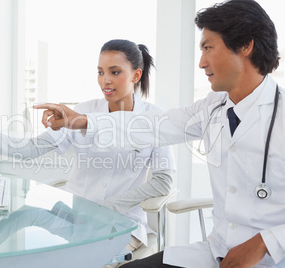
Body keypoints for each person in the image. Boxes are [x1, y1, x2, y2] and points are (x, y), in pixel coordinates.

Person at [34, 0, 285, 267]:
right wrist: (82, 121)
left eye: (208, 47)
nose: (201, 63)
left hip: (272, 258)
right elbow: (152, 126)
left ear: (245, 45)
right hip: (215, 252)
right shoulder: (213, 107)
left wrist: (265, 242)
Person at [0, 39, 176, 266]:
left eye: (115, 72)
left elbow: (164, 181)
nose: (105, 80)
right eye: (100, 72)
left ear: (136, 75)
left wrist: (110, 206)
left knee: (85, 260)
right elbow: (31, 149)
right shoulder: (82, 112)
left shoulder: (154, 118)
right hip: (74, 218)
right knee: (26, 231)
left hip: (121, 225)